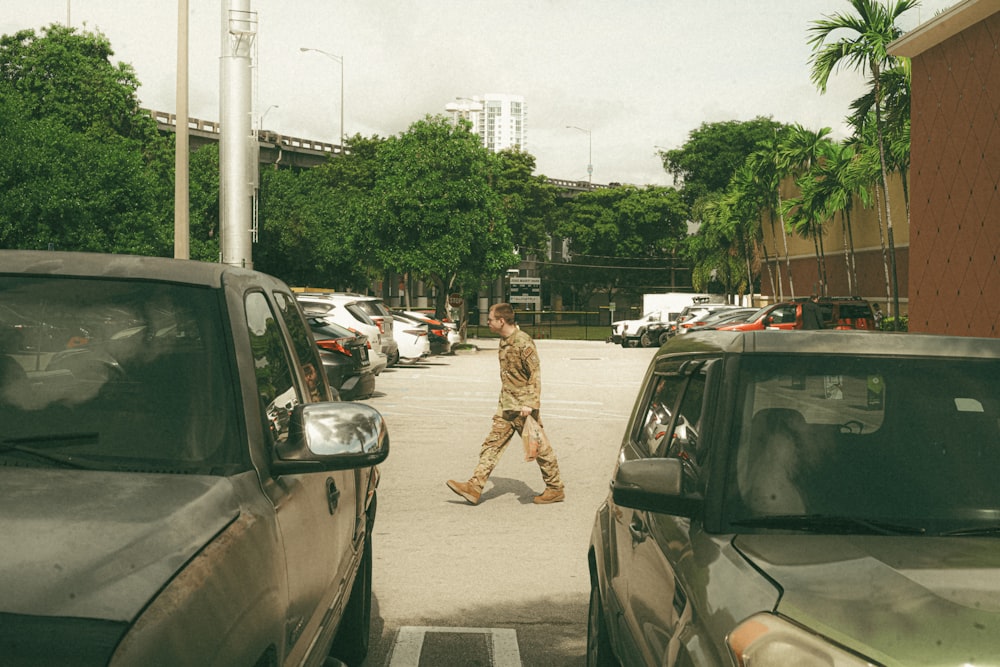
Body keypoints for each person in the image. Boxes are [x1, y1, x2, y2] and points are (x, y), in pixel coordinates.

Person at [446, 303, 565, 505]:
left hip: (523, 408)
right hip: (507, 406)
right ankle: (474, 487)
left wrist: (530, 403)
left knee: (539, 448)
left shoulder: (523, 342)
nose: (488, 322)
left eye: (491, 319)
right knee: (492, 445)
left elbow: (535, 374)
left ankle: (555, 488)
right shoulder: (504, 341)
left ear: (501, 321)